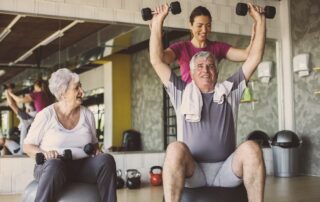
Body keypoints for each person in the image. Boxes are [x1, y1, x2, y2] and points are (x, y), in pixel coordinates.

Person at [149, 3, 266, 202]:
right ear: (191, 73)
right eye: (200, 66)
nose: (205, 70)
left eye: (211, 66)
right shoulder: (182, 92)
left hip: (226, 169)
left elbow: (253, 57)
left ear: (217, 72)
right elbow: (156, 60)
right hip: (194, 171)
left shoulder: (229, 90)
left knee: (252, 148)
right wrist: (158, 21)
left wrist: (260, 21)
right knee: (175, 148)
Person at [23, 68, 117, 202]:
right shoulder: (46, 115)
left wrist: (97, 152)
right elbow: (27, 146)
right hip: (50, 167)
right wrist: (44, 153)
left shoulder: (87, 115)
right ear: (63, 93)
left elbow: (94, 144)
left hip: (80, 166)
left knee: (106, 160)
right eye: (76, 88)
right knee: (55, 165)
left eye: (81, 87)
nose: (82, 91)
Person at [162, 6, 254, 83]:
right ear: (190, 25)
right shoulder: (181, 47)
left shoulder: (218, 47)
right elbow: (161, 58)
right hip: (188, 101)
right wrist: (157, 28)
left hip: (211, 100)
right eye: (199, 26)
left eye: (208, 25)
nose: (204, 30)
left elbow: (246, 54)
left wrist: (256, 32)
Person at [5, 87, 36, 154]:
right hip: (28, 149)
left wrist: (7, 93)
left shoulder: (27, 118)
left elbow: (11, 104)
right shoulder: (37, 115)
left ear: (29, 108)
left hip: (22, 152)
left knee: (4, 141)